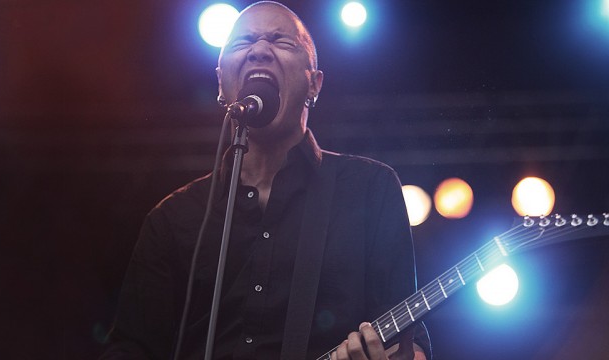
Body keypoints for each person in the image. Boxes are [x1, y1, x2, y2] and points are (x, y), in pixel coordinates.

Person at [101, 2, 431, 359]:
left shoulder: (369, 190)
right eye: (243, 42)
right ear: (221, 83)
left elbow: (411, 346)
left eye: (281, 42)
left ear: (314, 85)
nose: (259, 50)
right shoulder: (172, 219)